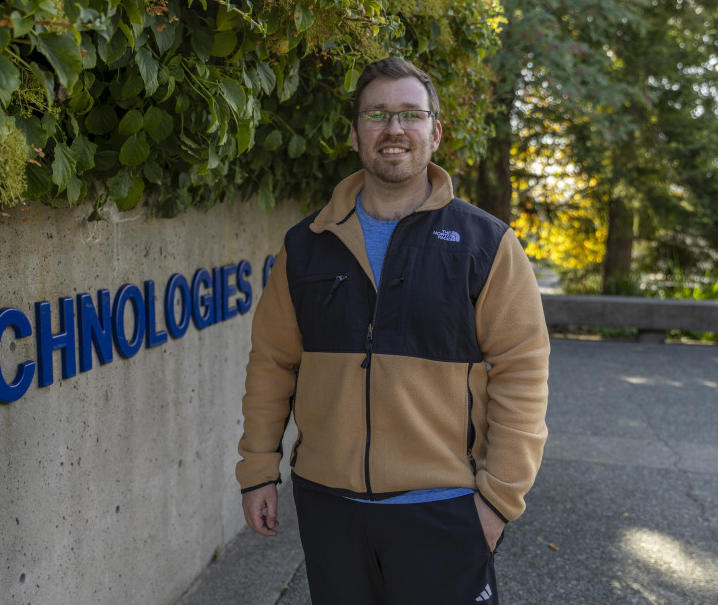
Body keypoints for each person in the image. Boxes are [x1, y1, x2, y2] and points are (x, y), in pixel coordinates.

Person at [235, 57, 550, 605]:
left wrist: (498, 501)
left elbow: (523, 370)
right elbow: (272, 362)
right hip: (331, 508)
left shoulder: (486, 244)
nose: (394, 129)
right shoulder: (306, 244)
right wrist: (258, 469)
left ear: (435, 131)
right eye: (378, 115)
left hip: (445, 508)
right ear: (356, 134)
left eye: (411, 114)